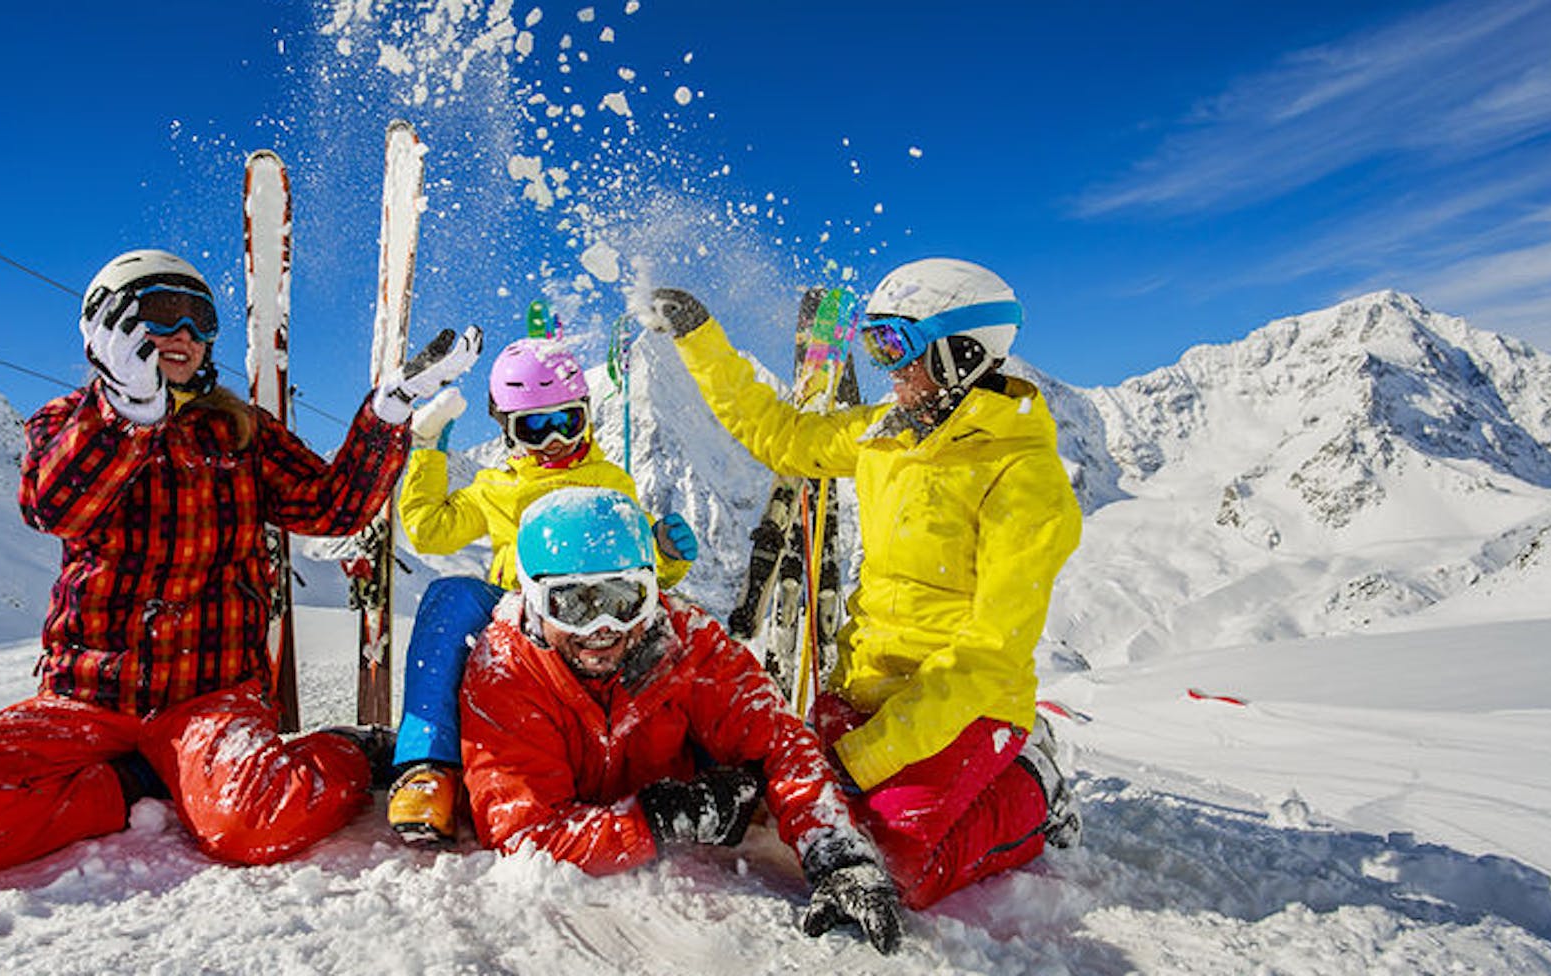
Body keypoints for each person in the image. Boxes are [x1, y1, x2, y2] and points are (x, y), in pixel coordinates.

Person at [0, 249, 480, 880]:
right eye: (158, 313)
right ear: (104, 328)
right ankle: (136, 783)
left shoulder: (240, 433)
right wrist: (128, 414)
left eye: (199, 319)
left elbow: (332, 507)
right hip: (86, 696)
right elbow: (53, 506)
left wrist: (389, 411)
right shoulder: (67, 424)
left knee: (254, 823)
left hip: (211, 697)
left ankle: (348, 750)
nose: (183, 334)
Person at [637, 257, 1084, 910]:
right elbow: (781, 437)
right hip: (867, 685)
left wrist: (862, 759)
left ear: (963, 351)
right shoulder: (886, 437)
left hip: (961, 710)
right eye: (875, 345)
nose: (887, 367)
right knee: (797, 821)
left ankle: (1032, 787)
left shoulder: (1023, 479)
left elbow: (989, 657)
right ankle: (886, 775)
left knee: (895, 870)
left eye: (898, 345)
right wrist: (698, 338)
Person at [460, 487, 903, 954]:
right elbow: (525, 833)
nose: (602, 628)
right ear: (531, 600)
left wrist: (836, 854)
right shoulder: (506, 671)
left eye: (624, 599)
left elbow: (779, 737)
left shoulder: (684, 640)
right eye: (571, 605)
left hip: (681, 761)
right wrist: (663, 818)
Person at [384, 337, 697, 844]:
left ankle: (683, 753)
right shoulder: (496, 486)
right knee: (450, 597)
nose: (552, 439)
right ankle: (428, 769)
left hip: (591, 617)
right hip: (516, 616)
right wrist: (426, 452)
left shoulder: (609, 482)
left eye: (566, 421)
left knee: (673, 619)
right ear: (507, 431)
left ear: (587, 415)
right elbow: (428, 531)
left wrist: (666, 554)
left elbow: (639, 570)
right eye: (533, 427)